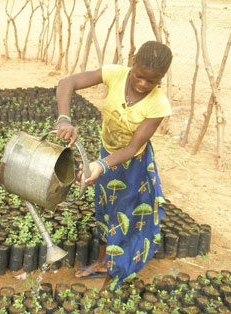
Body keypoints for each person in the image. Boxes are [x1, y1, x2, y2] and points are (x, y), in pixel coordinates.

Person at [55, 41, 172, 287]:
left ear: (161, 79)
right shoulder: (115, 74)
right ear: (133, 63)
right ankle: (102, 262)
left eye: (151, 81)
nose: (142, 84)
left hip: (133, 166)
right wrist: (64, 118)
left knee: (126, 216)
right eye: (139, 76)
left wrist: (101, 165)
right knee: (105, 210)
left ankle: (119, 269)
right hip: (106, 155)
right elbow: (67, 83)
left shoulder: (158, 104)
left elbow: (131, 148)